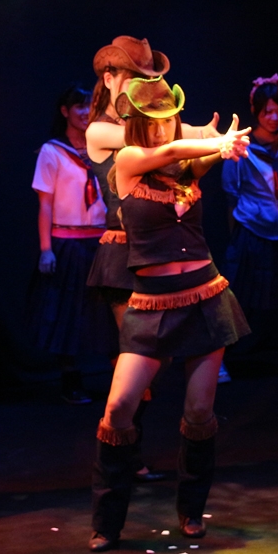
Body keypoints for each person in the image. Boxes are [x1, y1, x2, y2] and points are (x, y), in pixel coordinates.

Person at [89, 76, 251, 552]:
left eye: (169, 120)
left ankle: (191, 511)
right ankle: (107, 520)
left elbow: (194, 156)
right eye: (153, 122)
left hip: (204, 296)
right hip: (151, 303)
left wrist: (225, 148)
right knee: (119, 407)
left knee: (199, 411)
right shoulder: (128, 161)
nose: (163, 129)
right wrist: (215, 142)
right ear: (138, 125)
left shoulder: (186, 168)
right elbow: (175, 150)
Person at [85, 36, 216, 480]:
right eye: (136, 77)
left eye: (151, 78)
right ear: (110, 78)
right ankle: (123, 455)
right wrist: (204, 134)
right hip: (124, 252)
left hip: (166, 250)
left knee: (160, 363)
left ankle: (133, 449)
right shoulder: (101, 130)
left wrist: (208, 138)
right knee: (137, 359)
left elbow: (174, 141)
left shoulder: (165, 126)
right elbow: (158, 141)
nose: (146, 87)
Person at [26, 85, 117, 404]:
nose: (85, 111)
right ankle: (71, 379)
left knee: (109, 313)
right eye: (79, 106)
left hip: (102, 239)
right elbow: (45, 204)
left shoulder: (103, 149)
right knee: (67, 313)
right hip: (67, 241)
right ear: (65, 111)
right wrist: (46, 249)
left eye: (90, 105)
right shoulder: (52, 151)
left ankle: (122, 382)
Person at [222, 74, 278, 375]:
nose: (273, 118)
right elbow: (231, 194)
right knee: (237, 299)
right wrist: (234, 238)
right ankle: (217, 362)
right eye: (267, 111)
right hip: (251, 232)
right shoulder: (243, 147)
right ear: (256, 112)